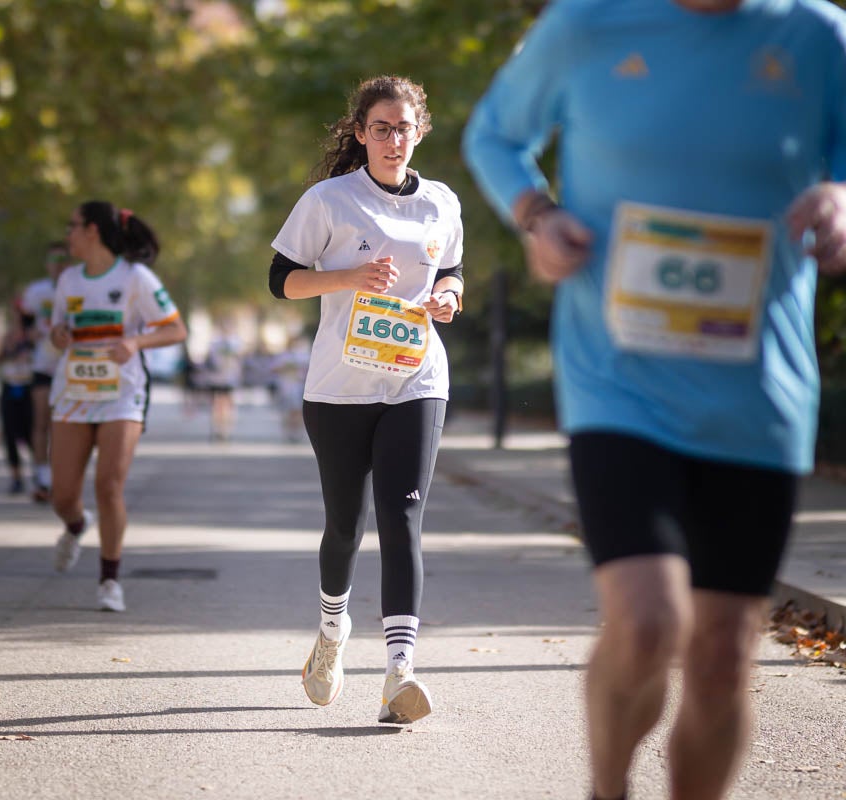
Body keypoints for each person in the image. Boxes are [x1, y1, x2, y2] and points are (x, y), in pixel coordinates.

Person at [463, 2, 846, 798]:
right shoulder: (587, 23)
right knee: (646, 622)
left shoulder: (817, 35)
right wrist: (536, 214)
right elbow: (494, 134)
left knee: (721, 653)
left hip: (758, 398)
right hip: (619, 382)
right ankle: (609, 788)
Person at [269, 75, 463, 725]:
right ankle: (331, 634)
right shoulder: (328, 201)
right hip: (338, 388)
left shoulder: (441, 203)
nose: (392, 139)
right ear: (360, 133)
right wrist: (348, 277)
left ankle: (399, 674)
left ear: (419, 132)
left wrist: (449, 299)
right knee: (345, 527)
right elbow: (282, 281)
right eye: (379, 127)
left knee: (403, 517)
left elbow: (453, 272)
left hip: (416, 378)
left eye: (403, 127)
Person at [49, 201, 187, 612]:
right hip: (74, 392)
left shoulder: (135, 277)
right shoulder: (69, 279)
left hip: (122, 394)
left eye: (73, 226)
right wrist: (58, 334)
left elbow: (177, 329)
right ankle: (75, 525)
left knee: (108, 486)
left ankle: (109, 579)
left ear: (92, 230)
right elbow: (59, 331)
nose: (68, 234)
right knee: (62, 495)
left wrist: (136, 342)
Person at [21, 243, 69, 503]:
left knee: (62, 424)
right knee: (41, 421)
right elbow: (24, 325)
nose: (58, 265)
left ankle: (62, 476)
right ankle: (42, 475)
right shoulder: (36, 292)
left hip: (71, 367)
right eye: (54, 260)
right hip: (43, 364)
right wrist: (31, 335)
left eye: (63, 259)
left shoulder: (77, 288)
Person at [0, 298, 36, 494]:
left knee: (30, 433)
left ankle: (40, 472)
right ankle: (16, 477)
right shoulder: (7, 337)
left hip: (28, 387)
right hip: (9, 386)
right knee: (9, 434)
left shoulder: (33, 336)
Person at [203, 325, 244, 441]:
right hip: (217, 379)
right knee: (217, 404)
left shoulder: (236, 344)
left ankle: (225, 429)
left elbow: (240, 361)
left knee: (228, 405)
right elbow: (208, 361)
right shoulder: (215, 344)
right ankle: (218, 429)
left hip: (230, 379)